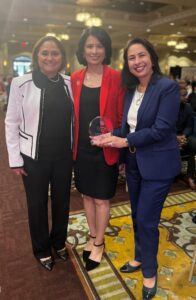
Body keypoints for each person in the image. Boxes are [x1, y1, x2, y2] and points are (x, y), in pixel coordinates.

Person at [92, 37, 181, 299]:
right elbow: (128, 128)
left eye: (141, 56)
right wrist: (109, 137)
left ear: (152, 58)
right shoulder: (131, 90)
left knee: (146, 220)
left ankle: (150, 274)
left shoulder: (167, 88)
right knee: (136, 216)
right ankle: (141, 257)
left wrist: (125, 140)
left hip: (158, 165)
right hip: (134, 164)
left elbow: (161, 129)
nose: (137, 62)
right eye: (131, 58)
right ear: (127, 64)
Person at [5, 36, 74, 271]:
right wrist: (15, 159)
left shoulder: (69, 82)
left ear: (62, 58)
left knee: (62, 202)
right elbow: (11, 122)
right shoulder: (21, 83)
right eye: (45, 53)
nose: (50, 57)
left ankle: (58, 242)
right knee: (37, 204)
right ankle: (42, 249)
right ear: (37, 57)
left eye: (55, 53)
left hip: (64, 155)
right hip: (33, 156)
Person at [71, 27, 124, 271]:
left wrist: (117, 140)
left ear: (106, 49)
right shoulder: (75, 78)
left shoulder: (116, 77)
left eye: (99, 46)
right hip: (81, 150)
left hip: (106, 150)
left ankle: (100, 243)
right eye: (89, 46)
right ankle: (92, 236)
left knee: (102, 199)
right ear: (83, 50)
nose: (94, 51)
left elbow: (123, 117)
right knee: (87, 196)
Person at [176, 84, 196, 189]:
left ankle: (190, 176)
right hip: (169, 137)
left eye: (186, 95)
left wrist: (183, 135)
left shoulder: (188, 107)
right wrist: (176, 138)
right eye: (183, 95)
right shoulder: (167, 108)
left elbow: (189, 126)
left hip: (183, 135)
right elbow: (165, 128)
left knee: (194, 144)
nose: (186, 97)